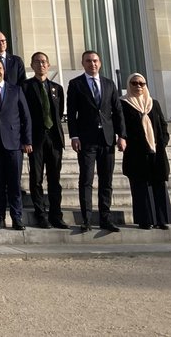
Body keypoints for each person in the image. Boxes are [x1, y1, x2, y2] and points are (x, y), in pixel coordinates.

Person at [67, 49, 127, 232]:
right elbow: (71, 113)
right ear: (83, 63)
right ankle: (86, 219)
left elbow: (117, 111)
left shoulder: (109, 84)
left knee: (106, 180)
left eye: (95, 61)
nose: (92, 64)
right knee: (86, 179)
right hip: (86, 140)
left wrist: (122, 136)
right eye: (88, 61)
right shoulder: (76, 84)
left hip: (107, 139)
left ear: (99, 63)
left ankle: (105, 218)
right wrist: (74, 135)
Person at [0, 58, 33, 229]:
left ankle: (17, 218)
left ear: (4, 70)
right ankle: (0, 216)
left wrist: (27, 140)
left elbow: (25, 117)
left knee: (14, 184)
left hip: (14, 144)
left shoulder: (15, 90)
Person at [120, 73, 171, 230]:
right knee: (141, 187)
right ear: (129, 85)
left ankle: (162, 219)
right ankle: (146, 220)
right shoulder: (123, 104)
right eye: (134, 83)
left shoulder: (153, 104)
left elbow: (162, 125)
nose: (138, 86)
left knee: (158, 184)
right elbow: (121, 127)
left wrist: (161, 142)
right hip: (136, 153)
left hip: (156, 152)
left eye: (141, 83)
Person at [23, 51, 68, 229]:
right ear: (32, 66)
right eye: (37, 62)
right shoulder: (26, 87)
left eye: (44, 62)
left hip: (54, 138)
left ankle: (56, 214)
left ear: (48, 65)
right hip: (36, 139)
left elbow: (58, 113)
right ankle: (40, 214)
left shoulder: (57, 88)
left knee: (54, 179)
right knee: (36, 178)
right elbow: (24, 115)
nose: (41, 65)